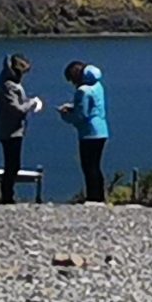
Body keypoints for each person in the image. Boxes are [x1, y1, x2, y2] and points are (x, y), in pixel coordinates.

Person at [0, 53, 44, 204]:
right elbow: (16, 108)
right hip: (10, 130)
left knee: (13, 164)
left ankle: (8, 195)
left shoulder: (8, 82)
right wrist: (32, 102)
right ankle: (7, 196)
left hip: (13, 129)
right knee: (12, 164)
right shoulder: (8, 86)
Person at [58, 59, 109, 203]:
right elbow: (92, 107)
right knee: (96, 166)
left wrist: (65, 115)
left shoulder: (82, 91)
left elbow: (81, 116)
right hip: (102, 131)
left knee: (88, 166)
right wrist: (73, 107)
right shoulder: (97, 85)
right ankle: (100, 196)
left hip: (89, 133)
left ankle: (92, 197)